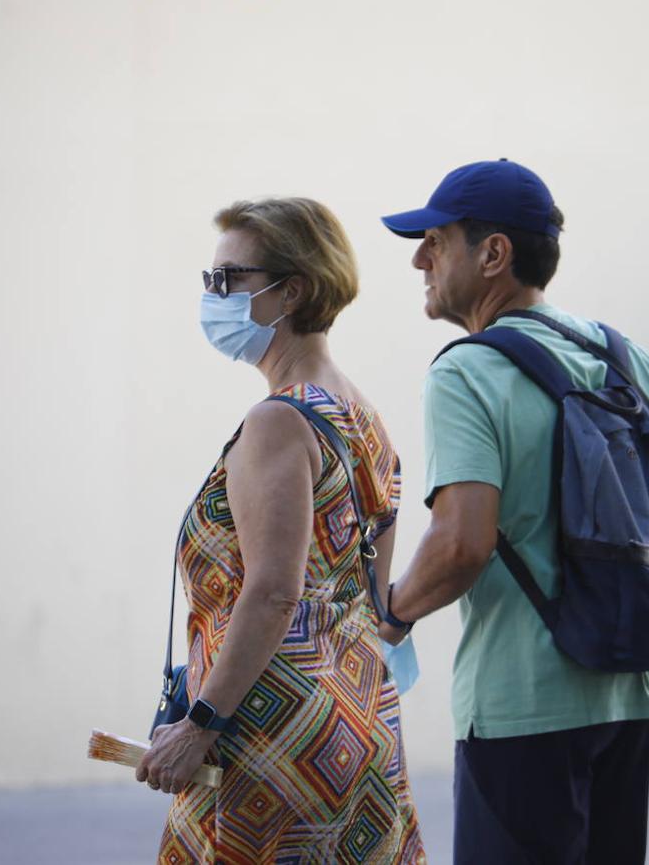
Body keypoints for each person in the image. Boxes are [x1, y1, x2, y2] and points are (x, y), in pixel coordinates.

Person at [377, 160, 649, 864]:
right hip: (638, 688)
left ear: (493, 253)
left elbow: (462, 543)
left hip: (523, 699)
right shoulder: (625, 357)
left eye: (436, 241)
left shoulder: (467, 370)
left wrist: (393, 611)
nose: (419, 259)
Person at [136, 197, 425, 864]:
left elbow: (272, 592)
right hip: (356, 724)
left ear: (290, 290)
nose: (213, 296)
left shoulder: (278, 423)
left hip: (268, 740)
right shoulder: (363, 418)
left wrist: (200, 724)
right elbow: (374, 602)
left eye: (229, 280)